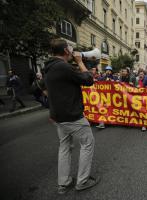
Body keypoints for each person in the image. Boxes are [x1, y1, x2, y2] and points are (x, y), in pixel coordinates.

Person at [44, 39, 98, 194]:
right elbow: (88, 80)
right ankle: (82, 181)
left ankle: (64, 182)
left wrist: (53, 109)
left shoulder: (48, 67)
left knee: (65, 147)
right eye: (71, 50)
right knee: (88, 143)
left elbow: (46, 89)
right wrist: (80, 62)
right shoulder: (64, 67)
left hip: (58, 117)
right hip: (72, 116)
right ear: (66, 51)